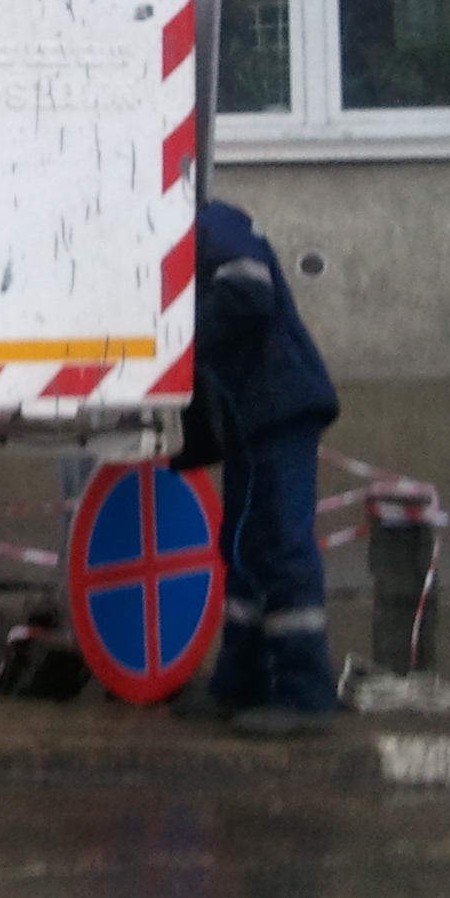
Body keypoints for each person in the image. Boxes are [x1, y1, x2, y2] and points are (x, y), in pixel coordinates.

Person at [176, 199, 342, 735]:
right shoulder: (192, 229)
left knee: (278, 543)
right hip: (254, 415)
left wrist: (172, 337)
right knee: (243, 546)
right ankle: (240, 681)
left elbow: (249, 290)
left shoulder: (207, 221)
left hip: (278, 404)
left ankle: (305, 692)